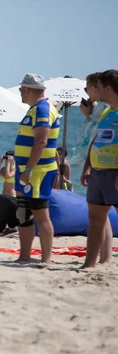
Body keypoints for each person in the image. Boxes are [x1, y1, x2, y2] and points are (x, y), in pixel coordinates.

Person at [14, 73, 60, 264]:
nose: (20, 94)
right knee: (23, 213)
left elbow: (41, 141)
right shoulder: (34, 109)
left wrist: (28, 170)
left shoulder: (43, 109)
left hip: (38, 171)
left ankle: (46, 258)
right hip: (26, 169)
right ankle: (24, 256)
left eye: (20, 90)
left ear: (27, 89)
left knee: (41, 213)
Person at [81, 69, 118, 269]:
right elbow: (96, 139)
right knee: (95, 219)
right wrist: (87, 167)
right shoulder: (106, 111)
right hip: (98, 171)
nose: (96, 90)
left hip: (114, 171)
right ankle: (89, 264)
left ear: (108, 88)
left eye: (99, 86)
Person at [73, 73, 107, 164]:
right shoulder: (99, 106)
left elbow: (99, 130)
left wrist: (88, 115)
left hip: (96, 158)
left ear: (94, 87)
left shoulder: (105, 105)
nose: (86, 92)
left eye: (86, 89)